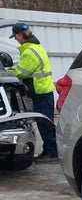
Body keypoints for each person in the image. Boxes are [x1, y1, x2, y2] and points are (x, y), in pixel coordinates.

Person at [8, 22, 58, 161]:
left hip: (40, 91)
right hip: (44, 90)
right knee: (46, 121)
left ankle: (51, 152)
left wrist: (8, 71)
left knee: (44, 123)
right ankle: (50, 150)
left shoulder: (29, 51)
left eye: (15, 37)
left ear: (20, 35)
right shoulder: (36, 47)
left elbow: (23, 72)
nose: (16, 40)